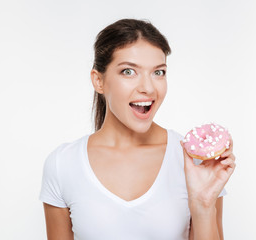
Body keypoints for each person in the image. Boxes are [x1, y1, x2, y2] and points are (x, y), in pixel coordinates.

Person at [39, 18, 236, 240]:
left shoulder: (193, 162)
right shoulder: (63, 164)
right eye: (129, 72)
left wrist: (203, 206)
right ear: (98, 81)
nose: (148, 88)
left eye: (158, 72)